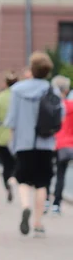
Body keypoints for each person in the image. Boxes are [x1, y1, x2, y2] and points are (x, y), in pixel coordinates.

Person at [5, 52, 59, 236]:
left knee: (23, 179)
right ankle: (37, 222)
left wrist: (12, 139)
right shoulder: (52, 90)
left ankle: (25, 206)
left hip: (23, 142)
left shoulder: (17, 90)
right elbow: (60, 117)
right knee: (42, 183)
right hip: (45, 143)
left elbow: (11, 119)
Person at [0, 71, 19, 202]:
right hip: (18, 136)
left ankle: (7, 184)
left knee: (5, 165)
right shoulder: (19, 97)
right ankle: (13, 179)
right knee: (15, 163)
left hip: (1, 136)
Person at [53, 76, 72, 215]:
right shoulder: (71, 106)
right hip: (67, 144)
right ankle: (56, 204)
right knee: (61, 174)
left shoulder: (51, 105)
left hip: (51, 143)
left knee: (47, 173)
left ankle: (46, 199)